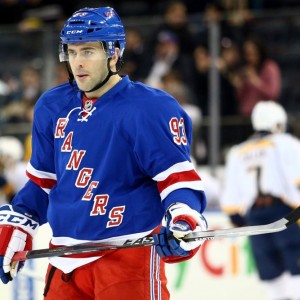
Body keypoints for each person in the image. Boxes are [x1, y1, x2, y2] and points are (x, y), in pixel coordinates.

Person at [0, 7, 208, 300]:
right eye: (71, 52)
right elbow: (42, 183)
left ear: (113, 53)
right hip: (63, 261)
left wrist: (183, 217)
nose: (77, 63)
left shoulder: (150, 109)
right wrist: (20, 219)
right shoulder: (52, 106)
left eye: (88, 51)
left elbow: (178, 181)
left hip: (127, 258)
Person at [221, 100, 300, 300]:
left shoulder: (238, 151)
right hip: (285, 214)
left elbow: (231, 202)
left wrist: (238, 219)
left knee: (270, 274)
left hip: (255, 218)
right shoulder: (286, 142)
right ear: (278, 123)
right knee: (296, 266)